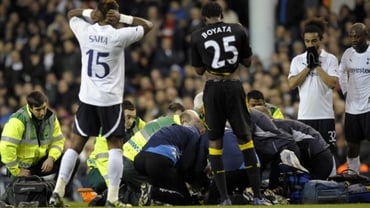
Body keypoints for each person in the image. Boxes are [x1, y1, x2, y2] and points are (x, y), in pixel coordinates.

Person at [49, 1, 153, 207]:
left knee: (76, 145)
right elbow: (148, 25)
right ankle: (113, 199)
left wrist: (90, 13)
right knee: (115, 147)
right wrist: (123, 18)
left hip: (87, 98)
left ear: (98, 13)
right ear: (114, 14)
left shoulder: (85, 31)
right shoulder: (118, 36)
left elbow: (71, 14)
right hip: (110, 101)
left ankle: (57, 192)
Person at [190, 2, 263, 205]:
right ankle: (257, 196)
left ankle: (224, 199)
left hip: (212, 89)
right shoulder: (237, 28)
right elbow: (248, 62)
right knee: (245, 139)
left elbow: (197, 70)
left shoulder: (196, 35)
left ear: (204, 18)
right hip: (233, 86)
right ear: (222, 15)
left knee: (215, 142)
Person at [288, 17, 338, 175]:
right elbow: (292, 84)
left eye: (314, 40)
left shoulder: (330, 59)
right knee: (305, 155)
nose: (310, 44)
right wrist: (308, 67)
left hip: (325, 116)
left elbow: (332, 83)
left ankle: (332, 187)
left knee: (329, 154)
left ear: (321, 39)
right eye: (307, 41)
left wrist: (317, 66)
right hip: (305, 116)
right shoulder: (297, 60)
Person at [0, 91, 65, 207]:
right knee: (24, 191)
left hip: (41, 163)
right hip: (22, 167)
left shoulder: (51, 118)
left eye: (44, 108)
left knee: (71, 160)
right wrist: (17, 171)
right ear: (29, 107)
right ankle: (10, 193)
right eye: (38, 110)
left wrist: (51, 157)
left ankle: (56, 194)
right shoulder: (18, 120)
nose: (42, 112)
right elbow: (6, 148)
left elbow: (58, 141)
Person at [134, 109, 207, 205]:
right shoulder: (195, 134)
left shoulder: (170, 128)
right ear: (202, 130)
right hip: (158, 161)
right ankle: (152, 192)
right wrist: (197, 181)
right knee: (184, 198)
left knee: (167, 188)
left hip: (140, 159)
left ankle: (152, 193)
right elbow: (186, 165)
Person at [86, 100, 145, 195]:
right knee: (99, 183)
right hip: (100, 166)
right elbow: (103, 160)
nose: (131, 121)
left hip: (122, 165)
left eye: (133, 117)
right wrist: (113, 186)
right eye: (128, 117)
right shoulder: (107, 129)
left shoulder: (138, 124)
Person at [338, 22, 370, 174]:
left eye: (357, 36)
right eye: (351, 36)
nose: (354, 39)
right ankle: (352, 176)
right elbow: (341, 73)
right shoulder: (348, 54)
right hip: (352, 108)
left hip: (368, 107)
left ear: (366, 36)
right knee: (352, 145)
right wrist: (345, 92)